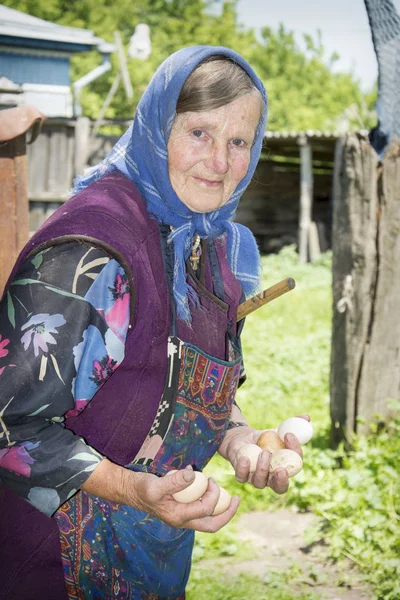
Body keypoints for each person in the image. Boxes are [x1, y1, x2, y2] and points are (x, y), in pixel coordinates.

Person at [0, 45, 306, 599]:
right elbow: (8, 423)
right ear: (158, 125)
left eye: (239, 142)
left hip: (146, 564)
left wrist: (239, 440)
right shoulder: (94, 250)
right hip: (48, 565)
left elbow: (187, 385)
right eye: (199, 133)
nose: (220, 162)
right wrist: (132, 489)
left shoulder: (207, 242)